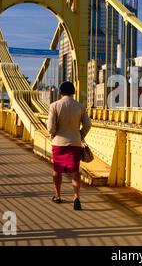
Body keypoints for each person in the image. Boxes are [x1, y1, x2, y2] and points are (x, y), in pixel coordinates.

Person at [47, 81, 92, 210]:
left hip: (58, 143)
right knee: (75, 171)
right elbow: (88, 125)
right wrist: (80, 135)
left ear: (60, 92)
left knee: (57, 170)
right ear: (73, 92)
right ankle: (76, 197)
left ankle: (58, 196)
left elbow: (50, 127)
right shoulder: (80, 107)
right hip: (75, 143)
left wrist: (54, 135)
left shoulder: (54, 105)